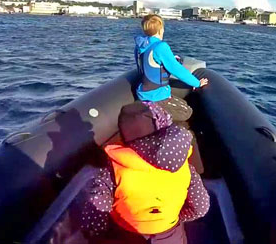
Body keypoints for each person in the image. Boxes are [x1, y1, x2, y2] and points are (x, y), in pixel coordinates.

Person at [80, 101, 210, 243]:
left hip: (126, 234)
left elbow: (95, 215)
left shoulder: (111, 170)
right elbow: (200, 207)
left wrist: (99, 234)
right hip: (169, 235)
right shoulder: (186, 167)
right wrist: (174, 218)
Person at [134, 14, 208, 122]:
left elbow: (148, 65)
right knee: (187, 112)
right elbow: (177, 69)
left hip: (143, 94)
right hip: (157, 97)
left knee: (182, 104)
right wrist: (197, 83)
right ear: (160, 30)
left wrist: (170, 59)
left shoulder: (139, 47)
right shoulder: (161, 47)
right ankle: (160, 119)